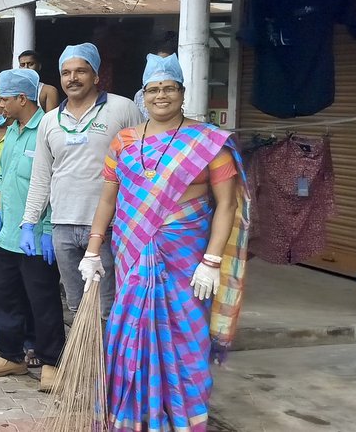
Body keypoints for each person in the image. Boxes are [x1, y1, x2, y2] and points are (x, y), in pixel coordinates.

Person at [82, 53, 249, 431]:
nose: (161, 96)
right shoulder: (123, 141)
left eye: (169, 88)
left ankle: (181, 418)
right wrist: (94, 250)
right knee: (130, 334)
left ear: (182, 93)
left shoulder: (209, 142)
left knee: (185, 336)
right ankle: (132, 418)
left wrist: (211, 261)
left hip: (186, 260)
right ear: (143, 95)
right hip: (131, 253)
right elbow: (108, 198)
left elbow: (226, 205)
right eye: (153, 89)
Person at [22, 43, 142, 318]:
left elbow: (139, 167)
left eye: (81, 71)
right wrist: (29, 222)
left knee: (106, 308)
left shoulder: (122, 109)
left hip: (109, 227)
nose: (72, 78)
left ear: (96, 76)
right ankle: (82, 360)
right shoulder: (50, 120)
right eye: (66, 73)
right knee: (76, 306)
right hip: (62, 225)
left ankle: (109, 360)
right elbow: (42, 175)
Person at [0, 68, 64, 394]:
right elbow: (2, 175)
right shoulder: (10, 130)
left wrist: (45, 228)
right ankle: (11, 355)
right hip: (8, 235)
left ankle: (51, 363)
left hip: (37, 238)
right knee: (5, 296)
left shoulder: (47, 129)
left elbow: (55, 184)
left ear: (21, 98)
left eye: (3, 99)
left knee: (42, 302)